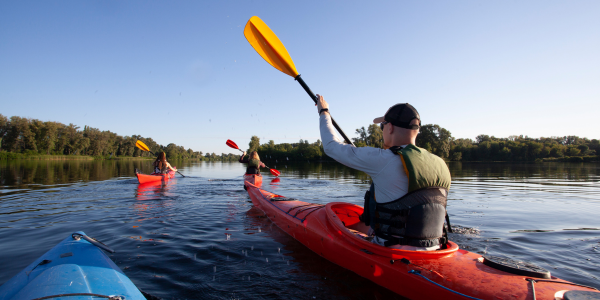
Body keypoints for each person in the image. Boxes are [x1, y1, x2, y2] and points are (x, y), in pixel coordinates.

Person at [316, 94, 451, 251]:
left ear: (390, 127)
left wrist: (324, 111)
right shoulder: (440, 163)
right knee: (365, 224)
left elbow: (331, 146)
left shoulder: (384, 159)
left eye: (382, 126)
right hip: (436, 248)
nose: (382, 131)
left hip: (391, 251)